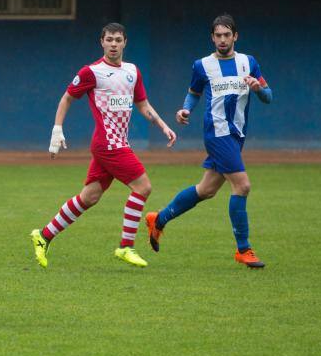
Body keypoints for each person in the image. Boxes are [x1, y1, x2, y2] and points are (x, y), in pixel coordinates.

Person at [30, 22, 176, 268]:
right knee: (143, 187)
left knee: (90, 196)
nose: (113, 44)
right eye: (109, 39)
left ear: (125, 42)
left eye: (118, 40)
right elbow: (67, 98)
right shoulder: (92, 72)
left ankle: (43, 236)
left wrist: (163, 125)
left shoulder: (132, 71)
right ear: (102, 42)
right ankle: (126, 247)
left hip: (116, 143)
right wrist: (57, 130)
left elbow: (142, 104)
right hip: (108, 144)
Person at [145, 14, 273, 269]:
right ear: (212, 37)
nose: (223, 39)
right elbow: (193, 94)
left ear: (235, 36)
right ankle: (244, 249)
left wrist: (257, 88)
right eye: (218, 35)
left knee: (206, 190)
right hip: (217, 133)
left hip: (237, 134)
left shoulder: (249, 62)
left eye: (227, 35)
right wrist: (185, 110)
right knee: (243, 186)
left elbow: (268, 97)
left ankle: (158, 219)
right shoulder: (202, 65)